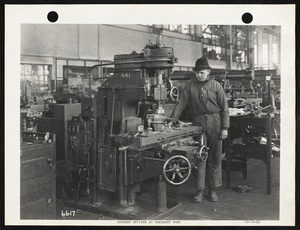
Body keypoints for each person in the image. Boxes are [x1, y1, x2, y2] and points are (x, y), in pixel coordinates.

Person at [171, 56, 229, 202]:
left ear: (208, 71)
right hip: (198, 126)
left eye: (202, 72)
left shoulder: (217, 86)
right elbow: (181, 103)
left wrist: (225, 128)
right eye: (197, 72)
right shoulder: (190, 86)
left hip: (215, 125)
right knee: (199, 158)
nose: (199, 75)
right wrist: (172, 120)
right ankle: (200, 191)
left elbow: (225, 109)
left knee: (215, 159)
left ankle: (213, 190)